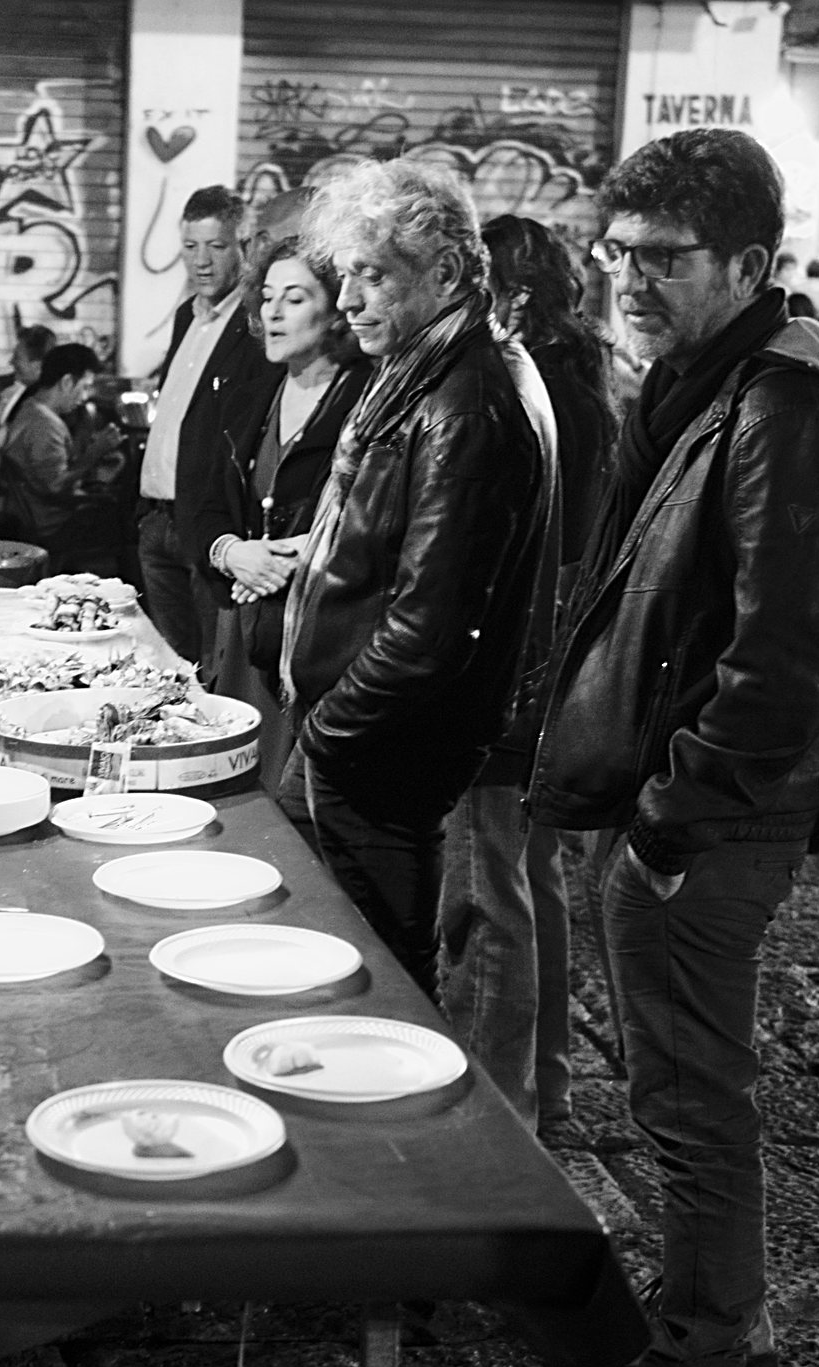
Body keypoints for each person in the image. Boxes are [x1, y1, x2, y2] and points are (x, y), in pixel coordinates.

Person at [517, 127, 819, 1367]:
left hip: (704, 823)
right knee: (687, 1096)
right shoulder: (708, 377)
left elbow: (789, 658)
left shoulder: (786, 405)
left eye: (660, 258)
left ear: (750, 261)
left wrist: (671, 823)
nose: (627, 278)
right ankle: (708, 1336)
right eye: (614, 253)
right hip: (671, 806)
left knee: (691, 1107)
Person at [279, 160, 555, 994]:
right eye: (347, 275)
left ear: (445, 272)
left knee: (377, 977)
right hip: (361, 734)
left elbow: (432, 625)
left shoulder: (465, 399)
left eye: (375, 276)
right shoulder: (424, 371)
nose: (351, 300)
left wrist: (332, 729)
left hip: (381, 744)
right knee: (323, 947)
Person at [436, 213, 618, 1135]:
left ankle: (501, 1112)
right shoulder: (582, 378)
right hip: (558, 660)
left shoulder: (526, 386)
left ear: (505, 292)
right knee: (533, 872)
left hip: (520, 660)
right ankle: (547, 1084)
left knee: (491, 876)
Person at [177, 240, 368, 799]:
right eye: (266, 298)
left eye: (295, 298)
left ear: (334, 310)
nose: (274, 313)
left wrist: (292, 556)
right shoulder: (251, 392)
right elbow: (202, 500)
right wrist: (230, 551)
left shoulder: (365, 397)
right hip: (243, 624)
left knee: (298, 809)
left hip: (316, 636)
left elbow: (374, 513)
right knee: (235, 791)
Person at [138, 184, 262, 668]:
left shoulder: (254, 327)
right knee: (165, 667)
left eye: (216, 246)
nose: (201, 261)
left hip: (204, 525)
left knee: (210, 669)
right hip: (154, 519)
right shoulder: (183, 320)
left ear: (243, 248)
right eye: (191, 247)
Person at [0, 341, 126, 565]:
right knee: (129, 520)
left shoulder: (30, 408)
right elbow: (55, 485)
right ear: (66, 381)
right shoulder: (44, 424)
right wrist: (95, 453)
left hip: (36, 515)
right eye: (84, 387)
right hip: (53, 525)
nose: (84, 396)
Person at [0, 322, 58, 424]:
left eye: (17, 357)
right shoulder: (17, 394)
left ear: (38, 365)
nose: (11, 362)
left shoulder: (39, 403)